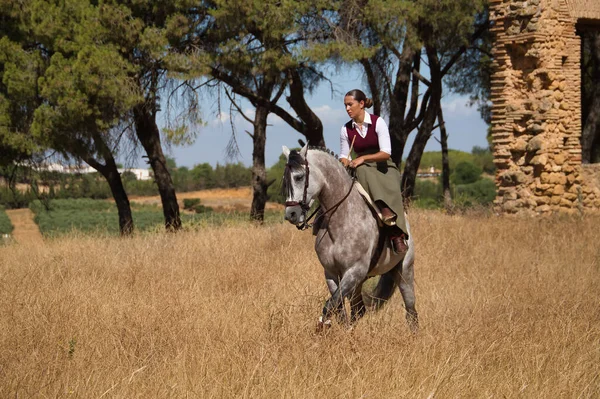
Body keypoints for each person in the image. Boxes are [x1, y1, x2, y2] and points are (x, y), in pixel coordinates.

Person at [339, 89, 408, 254]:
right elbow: (343, 154)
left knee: (362, 169)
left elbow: (386, 153)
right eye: (345, 105)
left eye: (350, 104)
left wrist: (363, 159)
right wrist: (345, 161)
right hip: (359, 167)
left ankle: (394, 230)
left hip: (383, 167)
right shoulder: (345, 129)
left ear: (361, 104)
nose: (347, 108)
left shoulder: (378, 122)